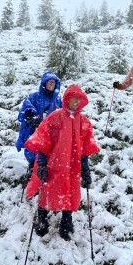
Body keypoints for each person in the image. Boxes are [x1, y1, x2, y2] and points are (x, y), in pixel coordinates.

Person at [24, 85, 100, 241]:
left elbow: (85, 148)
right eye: (74, 98)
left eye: (79, 99)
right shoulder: (55, 117)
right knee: (48, 190)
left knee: (71, 192)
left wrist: (86, 169)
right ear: (67, 99)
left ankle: (67, 221)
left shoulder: (84, 121)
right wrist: (43, 164)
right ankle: (42, 219)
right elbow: (44, 141)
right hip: (55, 163)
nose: (76, 102)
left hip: (73, 166)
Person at [15, 71, 62, 177]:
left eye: (53, 82)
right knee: (34, 149)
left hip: (51, 132)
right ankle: (32, 168)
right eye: (49, 82)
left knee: (48, 151)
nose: (51, 84)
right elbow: (26, 108)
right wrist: (30, 117)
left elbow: (62, 113)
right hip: (35, 130)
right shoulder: (35, 97)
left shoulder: (58, 100)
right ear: (44, 83)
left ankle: (45, 172)